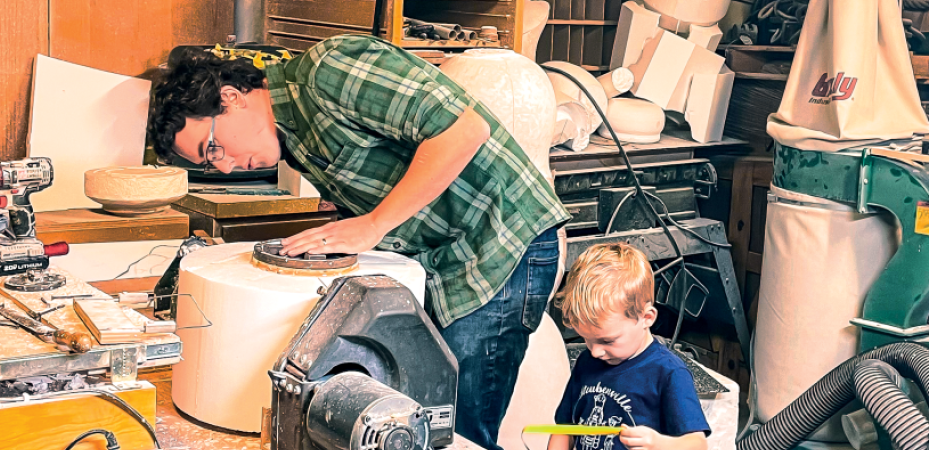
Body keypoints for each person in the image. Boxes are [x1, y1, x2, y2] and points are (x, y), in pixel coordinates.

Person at [149, 34, 570, 449]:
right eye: (208, 161)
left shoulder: (329, 70)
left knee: (457, 432)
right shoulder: (291, 138)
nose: (223, 169)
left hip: (501, 241)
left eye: (214, 147)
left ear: (232, 97)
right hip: (444, 256)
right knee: (413, 422)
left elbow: (464, 130)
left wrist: (373, 224)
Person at [551, 243, 709, 450]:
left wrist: (657, 443)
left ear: (646, 317)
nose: (595, 351)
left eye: (607, 341)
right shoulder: (586, 362)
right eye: (587, 339)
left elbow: (697, 445)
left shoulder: (669, 372)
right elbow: (564, 429)